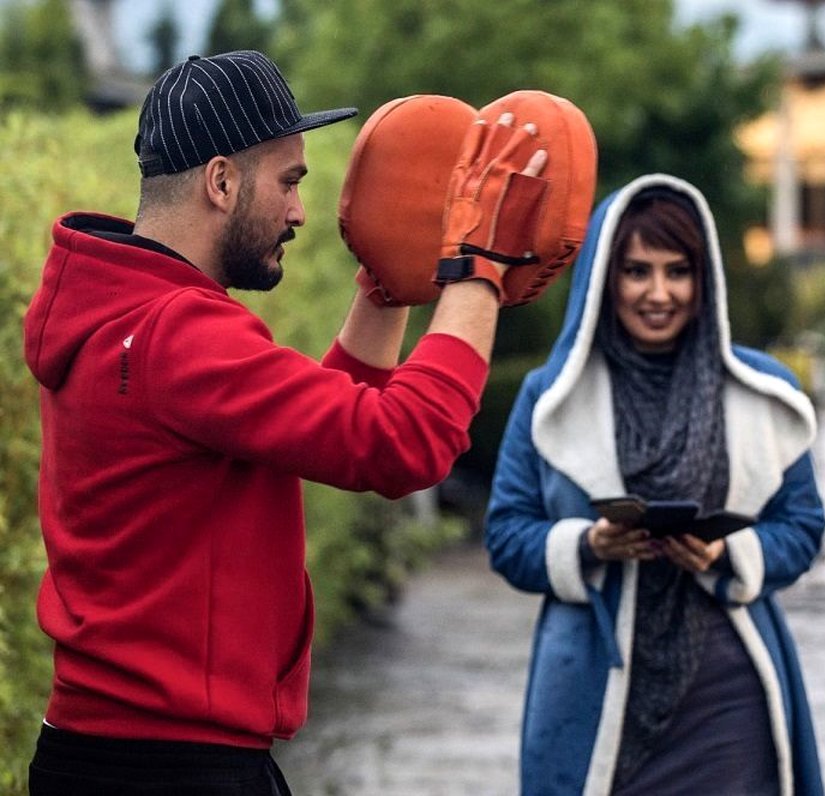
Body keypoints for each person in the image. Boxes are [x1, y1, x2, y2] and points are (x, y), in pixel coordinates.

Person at [22, 50, 543, 794]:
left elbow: (329, 430)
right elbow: (406, 444)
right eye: (289, 181)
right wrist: (480, 267)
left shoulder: (119, 309)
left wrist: (385, 292)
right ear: (222, 181)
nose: (300, 211)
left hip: (110, 754)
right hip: (172, 770)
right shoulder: (181, 335)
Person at [486, 174, 825, 795]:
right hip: (592, 692)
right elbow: (507, 535)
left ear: (707, 280)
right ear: (602, 279)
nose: (659, 293)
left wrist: (730, 553)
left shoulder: (762, 391)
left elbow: (802, 527)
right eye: (637, 272)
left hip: (728, 694)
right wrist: (590, 544)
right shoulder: (552, 395)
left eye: (678, 271)